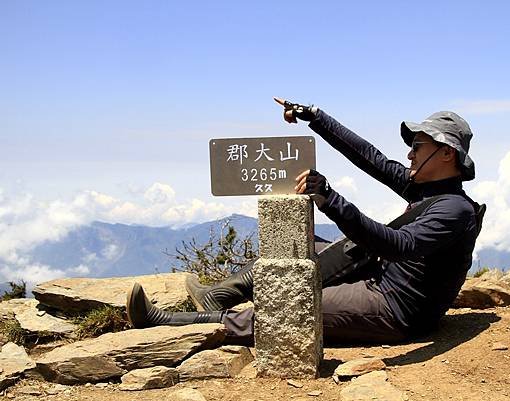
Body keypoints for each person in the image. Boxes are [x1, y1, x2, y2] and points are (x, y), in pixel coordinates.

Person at [126, 99, 483, 345]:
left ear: (446, 153)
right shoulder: (425, 188)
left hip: (394, 308)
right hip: (377, 275)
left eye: (418, 146)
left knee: (291, 308)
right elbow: (369, 157)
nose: (409, 152)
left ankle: (167, 324)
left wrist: (331, 199)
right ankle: (221, 296)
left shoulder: (455, 211)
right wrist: (317, 117)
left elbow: (397, 245)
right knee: (300, 247)